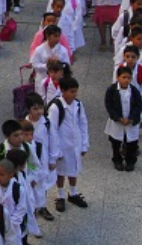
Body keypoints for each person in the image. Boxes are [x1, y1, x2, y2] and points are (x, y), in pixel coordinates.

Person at [47, 76, 89, 212]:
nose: (74, 94)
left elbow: (83, 124)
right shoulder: (55, 107)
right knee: (61, 171)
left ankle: (73, 193)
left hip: (75, 144)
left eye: (75, 91)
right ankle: (60, 195)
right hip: (62, 144)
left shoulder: (78, 104)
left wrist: (84, 144)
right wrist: (55, 150)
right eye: (71, 91)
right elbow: (52, 129)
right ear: (62, 90)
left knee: (73, 168)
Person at [104, 65, 142, 171]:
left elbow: (139, 105)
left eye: (128, 78)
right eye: (123, 77)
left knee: (131, 143)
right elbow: (109, 105)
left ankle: (130, 161)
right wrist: (118, 118)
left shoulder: (134, 91)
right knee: (116, 142)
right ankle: (117, 160)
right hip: (117, 122)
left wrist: (131, 118)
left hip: (130, 122)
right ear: (118, 77)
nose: (126, 80)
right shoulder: (112, 90)